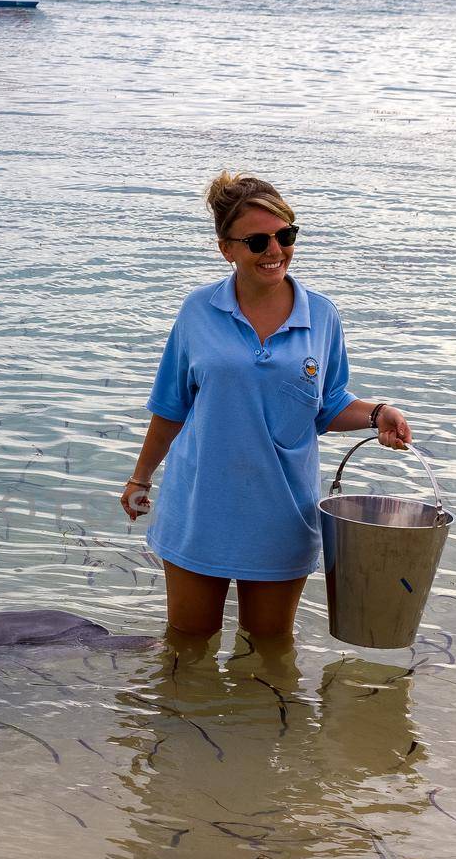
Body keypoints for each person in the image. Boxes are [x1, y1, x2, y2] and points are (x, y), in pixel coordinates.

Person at [120, 172, 413, 638]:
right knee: (186, 651)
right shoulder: (198, 311)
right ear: (227, 249)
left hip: (282, 516)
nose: (275, 251)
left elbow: (328, 404)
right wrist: (141, 478)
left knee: (269, 654)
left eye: (286, 236)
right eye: (258, 241)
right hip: (199, 508)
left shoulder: (322, 315)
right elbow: (170, 406)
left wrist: (378, 413)